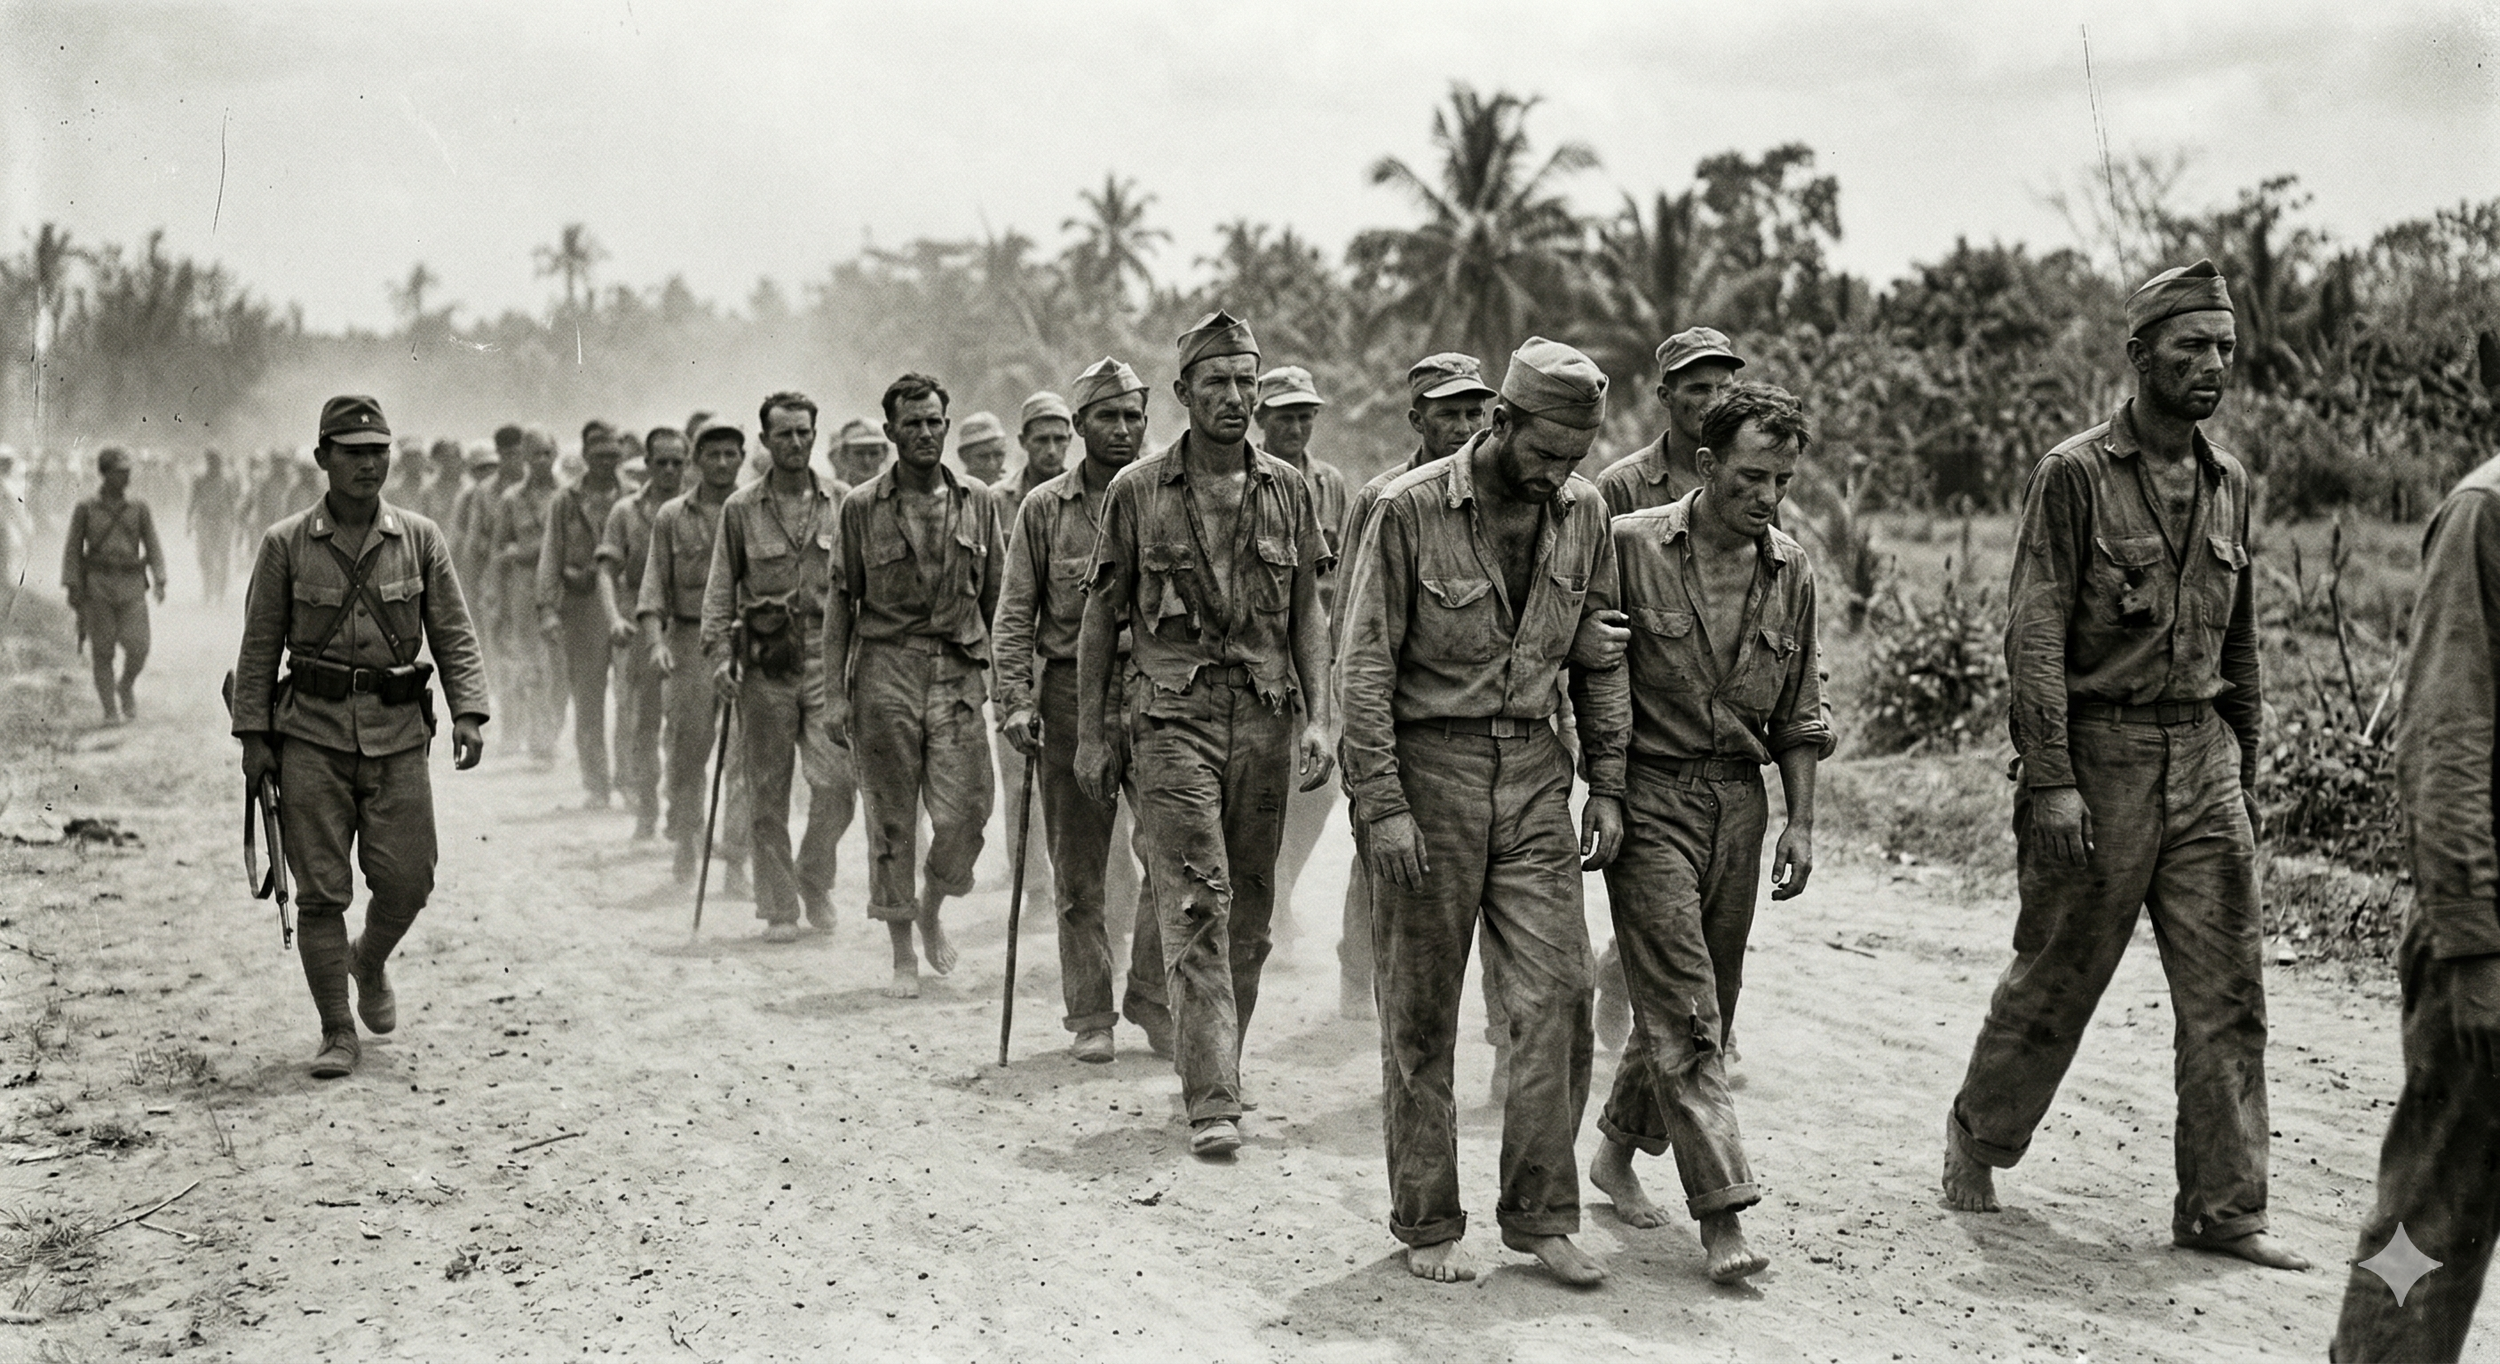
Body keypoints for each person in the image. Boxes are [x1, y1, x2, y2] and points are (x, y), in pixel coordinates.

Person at [1938, 260, 2307, 1271]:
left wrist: (2251, 770)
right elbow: (2034, 629)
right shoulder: (2074, 475)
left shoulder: (2228, 482)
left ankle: (2224, 1207)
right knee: (2060, 966)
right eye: (2191, 347)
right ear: (2140, 356)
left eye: (2225, 347)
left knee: (2227, 989)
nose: (2212, 366)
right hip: (2096, 756)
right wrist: (2050, 775)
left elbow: (2241, 648)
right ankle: (1978, 1138)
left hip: (2200, 757)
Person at [1339, 337, 1619, 1287]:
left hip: (1537, 771)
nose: (1558, 475)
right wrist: (1381, 807)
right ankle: (1426, 1220)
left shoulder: (1583, 513)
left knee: (1562, 996)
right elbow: (1365, 667)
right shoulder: (1406, 510)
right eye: (1544, 453)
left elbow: (1598, 658)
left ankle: (1540, 1213)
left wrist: (1608, 783)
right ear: (1500, 422)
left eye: (1576, 458)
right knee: (1420, 1014)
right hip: (1429, 776)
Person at [1579, 382, 1829, 1285]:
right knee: (1691, 1010)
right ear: (1709, 463)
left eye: (1785, 480)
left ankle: (1615, 1151)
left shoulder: (1791, 569)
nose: (1769, 496)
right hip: (1650, 801)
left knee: (1701, 1000)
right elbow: (1590, 676)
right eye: (1754, 476)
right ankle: (1724, 1214)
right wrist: (1602, 788)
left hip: (1740, 804)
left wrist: (1802, 819)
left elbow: (1801, 709)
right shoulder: (1628, 547)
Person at [1075, 310, 1335, 1157]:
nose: (1235, 398)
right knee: (1197, 897)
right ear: (1183, 393)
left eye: (1247, 382)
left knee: (1253, 914)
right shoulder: (1137, 491)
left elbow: (1308, 613)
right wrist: (1090, 733)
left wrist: (1322, 716)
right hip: (1171, 718)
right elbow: (1100, 618)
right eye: (1216, 383)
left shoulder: (1288, 491)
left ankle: (1218, 1056)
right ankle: (1212, 1096)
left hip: (1264, 716)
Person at [230, 394, 488, 1078]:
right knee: (320, 892)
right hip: (310, 736)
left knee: (409, 879)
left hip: (399, 732)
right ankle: (337, 1030)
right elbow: (258, 647)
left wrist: (469, 711)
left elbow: (453, 633)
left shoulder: (421, 538)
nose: (368, 464)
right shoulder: (285, 543)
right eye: (352, 452)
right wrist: (254, 738)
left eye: (378, 451)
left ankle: (368, 959)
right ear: (323, 459)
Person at [2333, 446, 2500, 1359]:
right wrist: (2474, 945)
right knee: (2432, 1220)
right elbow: (2444, 742)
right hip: (2488, 939)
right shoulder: (2486, 514)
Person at [992, 360, 1168, 1060]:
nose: (1121, 430)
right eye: (1106, 418)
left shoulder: (1164, 495)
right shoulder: (1043, 510)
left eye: (1131, 416)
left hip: (1158, 695)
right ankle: (1091, 1014)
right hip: (1070, 697)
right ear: (1079, 428)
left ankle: (1154, 1002)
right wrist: (1013, 703)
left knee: (1169, 854)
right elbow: (1014, 615)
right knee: (1078, 867)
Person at [823, 373, 1004, 997]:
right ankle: (901, 948)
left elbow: (1000, 600)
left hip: (956, 671)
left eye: (934, 422)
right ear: (891, 431)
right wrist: (833, 694)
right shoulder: (859, 507)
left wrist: (1010, 684)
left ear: (947, 428)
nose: (925, 433)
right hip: (885, 671)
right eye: (912, 424)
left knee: (968, 814)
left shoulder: (978, 499)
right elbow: (841, 604)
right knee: (892, 818)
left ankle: (931, 904)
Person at [1333, 354, 1495, 1024]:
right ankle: (1359, 971)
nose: (1462, 426)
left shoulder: (1501, 492)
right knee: (1382, 862)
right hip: (1395, 729)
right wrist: (1356, 740)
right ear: (1416, 419)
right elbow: (1351, 628)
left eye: (1472, 412)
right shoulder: (1382, 499)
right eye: (1447, 413)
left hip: (1472, 734)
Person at [704, 392, 856, 941]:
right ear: (764, 442)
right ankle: (780, 907)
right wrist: (720, 657)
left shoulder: (844, 501)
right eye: (783, 434)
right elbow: (720, 590)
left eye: (803, 433)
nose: (794, 443)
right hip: (765, 667)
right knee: (767, 791)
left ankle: (813, 876)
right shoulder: (740, 509)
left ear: (816, 436)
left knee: (839, 785)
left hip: (827, 662)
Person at [1252, 365, 1352, 956]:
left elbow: (1337, 576)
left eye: (1305, 415)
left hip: (1317, 659)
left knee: (1318, 789)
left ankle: (1282, 891)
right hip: (1261, 660)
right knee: (1266, 789)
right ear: (1261, 419)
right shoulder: (1249, 479)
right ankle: (1270, 902)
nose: (1296, 425)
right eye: (1284, 415)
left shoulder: (1331, 483)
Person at [640, 420, 752, 885]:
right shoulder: (671, 516)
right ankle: (688, 841)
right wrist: (656, 643)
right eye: (713, 455)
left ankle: (736, 861)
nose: (723, 463)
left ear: (742, 458)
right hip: (689, 645)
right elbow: (652, 591)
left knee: (744, 758)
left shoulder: (756, 509)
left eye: (731, 454)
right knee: (688, 750)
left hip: (749, 642)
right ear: (696, 461)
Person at [539, 422, 628, 807]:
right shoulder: (566, 500)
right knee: (588, 700)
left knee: (631, 701)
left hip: (625, 609)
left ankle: (630, 780)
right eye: (599, 455)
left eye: (613, 455)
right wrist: (547, 610)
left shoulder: (634, 498)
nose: (607, 462)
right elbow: (551, 555)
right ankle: (596, 784)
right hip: (580, 610)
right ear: (586, 457)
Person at [602, 427, 685, 840]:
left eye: (677, 462)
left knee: (685, 727)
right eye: (662, 461)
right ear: (647, 464)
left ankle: (680, 812)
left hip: (688, 626)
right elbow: (607, 569)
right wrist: (615, 616)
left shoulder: (701, 509)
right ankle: (647, 806)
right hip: (640, 626)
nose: (669, 469)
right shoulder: (626, 512)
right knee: (643, 724)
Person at [61, 447, 168, 723]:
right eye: (120, 473)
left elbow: (152, 543)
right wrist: (73, 586)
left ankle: (126, 686)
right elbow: (73, 549)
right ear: (105, 474)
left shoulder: (139, 507)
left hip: (132, 585)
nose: (126, 478)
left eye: (128, 472)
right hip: (98, 586)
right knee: (103, 650)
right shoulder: (86, 508)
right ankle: (110, 709)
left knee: (139, 647)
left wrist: (160, 578)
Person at [1595, 327, 1746, 519]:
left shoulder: (1749, 475)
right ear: (1666, 397)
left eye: (1725, 389)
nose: (1716, 402)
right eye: (1699, 390)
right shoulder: (1622, 485)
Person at [494, 431, 561, 765]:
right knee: (532, 665)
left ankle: (555, 729)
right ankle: (540, 737)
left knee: (559, 666)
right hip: (523, 588)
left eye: (548, 453)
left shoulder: (567, 495)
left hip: (562, 590)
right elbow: (499, 549)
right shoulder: (511, 499)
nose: (542, 460)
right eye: (535, 454)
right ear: (524, 458)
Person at [188, 447, 241, 604]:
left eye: (216, 462)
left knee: (223, 557)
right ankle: (207, 588)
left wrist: (234, 524)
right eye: (211, 461)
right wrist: (188, 522)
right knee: (205, 556)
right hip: (204, 520)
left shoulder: (227, 480)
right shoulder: (199, 479)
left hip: (222, 520)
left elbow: (232, 503)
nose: (214, 465)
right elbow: (193, 500)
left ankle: (220, 592)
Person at [954, 410, 1009, 488]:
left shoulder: (1019, 493)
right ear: (964, 457)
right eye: (983, 456)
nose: (992, 464)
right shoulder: (955, 495)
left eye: (998, 455)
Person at [833, 419, 887, 488]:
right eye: (859, 453)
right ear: (844, 454)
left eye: (874, 453)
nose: (866, 461)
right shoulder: (833, 492)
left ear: (885, 454)